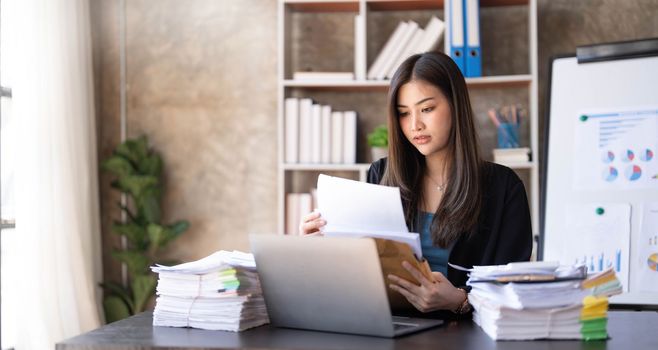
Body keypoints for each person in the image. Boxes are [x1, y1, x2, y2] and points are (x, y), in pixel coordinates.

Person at [300, 51, 532, 317]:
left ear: (456, 105)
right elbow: (358, 275)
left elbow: (516, 290)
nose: (415, 125)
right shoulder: (382, 175)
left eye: (427, 109)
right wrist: (320, 247)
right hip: (392, 327)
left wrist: (459, 301)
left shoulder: (504, 188)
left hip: (468, 334)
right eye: (403, 113)